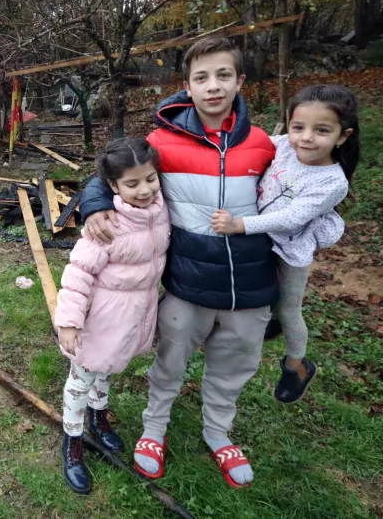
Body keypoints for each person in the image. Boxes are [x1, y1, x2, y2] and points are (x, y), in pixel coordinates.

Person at [79, 36, 278, 489]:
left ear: (240, 81)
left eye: (223, 75)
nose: (213, 86)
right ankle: (154, 429)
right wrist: (94, 206)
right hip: (187, 281)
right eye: (202, 77)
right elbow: (110, 171)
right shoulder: (163, 142)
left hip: (249, 284)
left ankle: (218, 432)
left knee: (234, 365)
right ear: (187, 87)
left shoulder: (265, 146)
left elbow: (301, 184)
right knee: (170, 360)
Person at [211, 84, 359, 404]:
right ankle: (273, 318)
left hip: (289, 250)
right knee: (267, 295)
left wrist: (240, 225)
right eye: (298, 127)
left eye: (321, 130)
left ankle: (297, 366)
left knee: (290, 309)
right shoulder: (283, 146)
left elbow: (292, 218)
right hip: (259, 241)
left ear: (342, 136)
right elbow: (252, 143)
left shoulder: (332, 182)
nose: (306, 138)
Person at [54, 137, 170, 495]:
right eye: (131, 184)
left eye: (150, 179)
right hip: (100, 319)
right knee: (82, 378)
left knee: (107, 370)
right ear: (113, 186)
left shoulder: (161, 210)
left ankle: (98, 418)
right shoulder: (105, 224)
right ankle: (72, 441)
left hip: (134, 314)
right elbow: (78, 274)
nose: (144, 189)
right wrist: (70, 323)